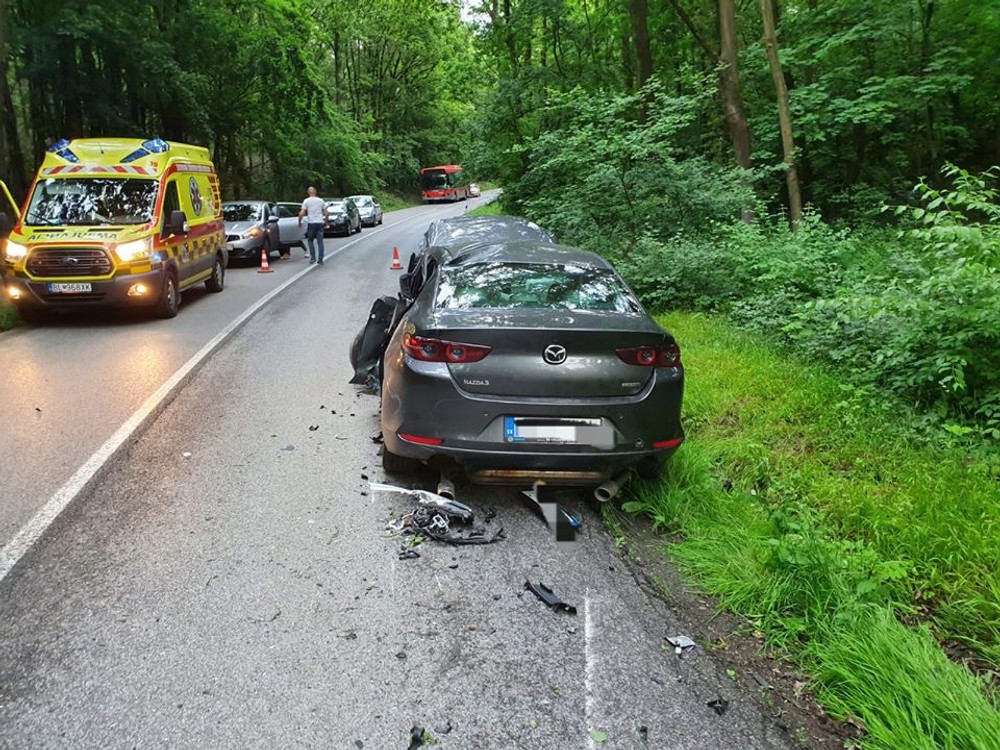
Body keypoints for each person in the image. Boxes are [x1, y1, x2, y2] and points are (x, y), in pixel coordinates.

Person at [298, 186, 328, 265]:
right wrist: (326, 222)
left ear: (308, 192)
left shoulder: (306, 201)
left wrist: (299, 221)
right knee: (320, 241)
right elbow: (327, 213)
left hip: (311, 223)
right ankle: (320, 259)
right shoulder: (320, 200)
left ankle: (313, 258)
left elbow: (301, 213)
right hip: (320, 222)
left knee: (310, 240)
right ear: (315, 192)